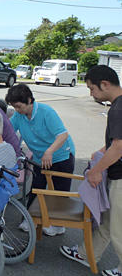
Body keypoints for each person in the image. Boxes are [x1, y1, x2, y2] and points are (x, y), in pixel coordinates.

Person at [60, 65, 122, 276]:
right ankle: (87, 254)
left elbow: (119, 147)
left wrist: (96, 170)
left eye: (92, 89)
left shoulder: (118, 108)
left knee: (117, 229)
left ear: (104, 84)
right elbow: (116, 142)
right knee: (107, 223)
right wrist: (103, 150)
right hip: (117, 174)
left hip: (121, 177)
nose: (91, 94)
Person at [5, 83, 75, 236]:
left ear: (29, 100)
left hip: (61, 156)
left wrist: (49, 151)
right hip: (39, 158)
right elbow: (9, 133)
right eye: (14, 107)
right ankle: (30, 220)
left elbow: (63, 135)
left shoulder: (46, 112)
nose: (17, 110)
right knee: (37, 188)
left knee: (59, 192)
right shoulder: (19, 115)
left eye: (18, 106)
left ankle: (58, 225)